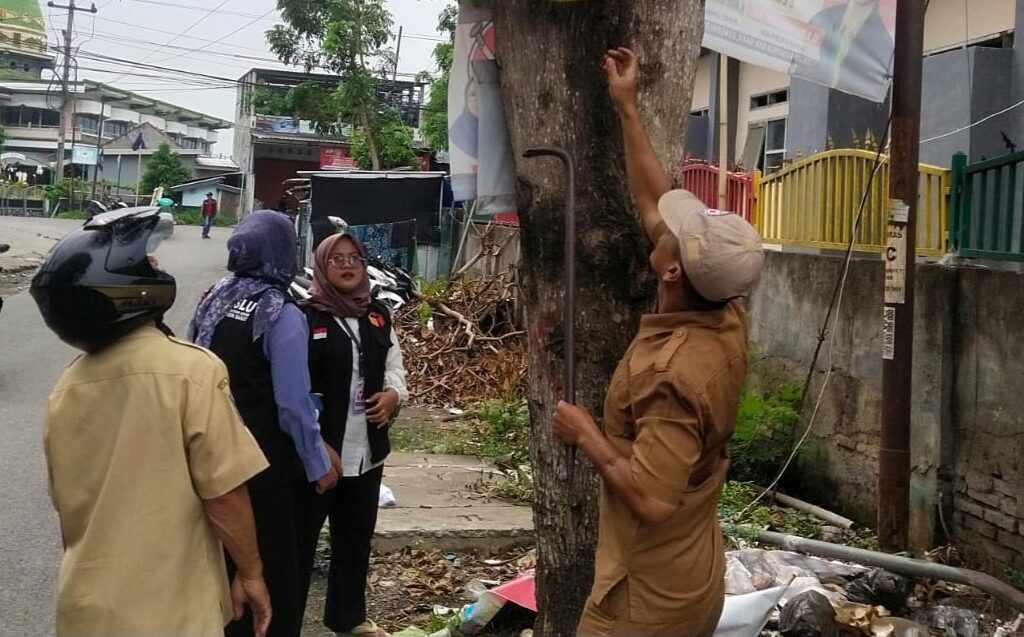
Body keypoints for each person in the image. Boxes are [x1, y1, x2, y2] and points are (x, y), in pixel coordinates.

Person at [551, 48, 765, 637]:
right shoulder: (723, 306)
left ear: (671, 271)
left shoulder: (674, 376)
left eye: (680, 238)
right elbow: (653, 198)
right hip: (693, 577)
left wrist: (587, 433)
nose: (666, 228)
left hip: (645, 601)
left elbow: (651, 500)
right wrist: (628, 108)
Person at [30, 207, 273, 637]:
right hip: (168, 612)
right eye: (148, 261)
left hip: (84, 610)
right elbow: (224, 494)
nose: (156, 265)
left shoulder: (66, 388)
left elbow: (69, 510)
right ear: (126, 289)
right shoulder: (192, 371)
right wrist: (251, 572)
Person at [189, 210, 342, 637]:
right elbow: (292, 404)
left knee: (220, 569)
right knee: (268, 579)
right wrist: (317, 464)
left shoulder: (212, 297)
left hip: (209, 456)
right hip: (262, 468)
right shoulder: (280, 312)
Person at [296, 233, 408, 637]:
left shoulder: (378, 315)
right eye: (336, 260)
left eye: (354, 259)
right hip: (320, 452)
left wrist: (394, 394)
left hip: (368, 450)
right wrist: (312, 443)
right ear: (322, 267)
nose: (347, 266)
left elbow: (395, 366)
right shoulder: (306, 317)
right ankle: (284, 619)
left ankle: (348, 618)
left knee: (355, 538)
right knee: (300, 540)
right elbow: (294, 387)